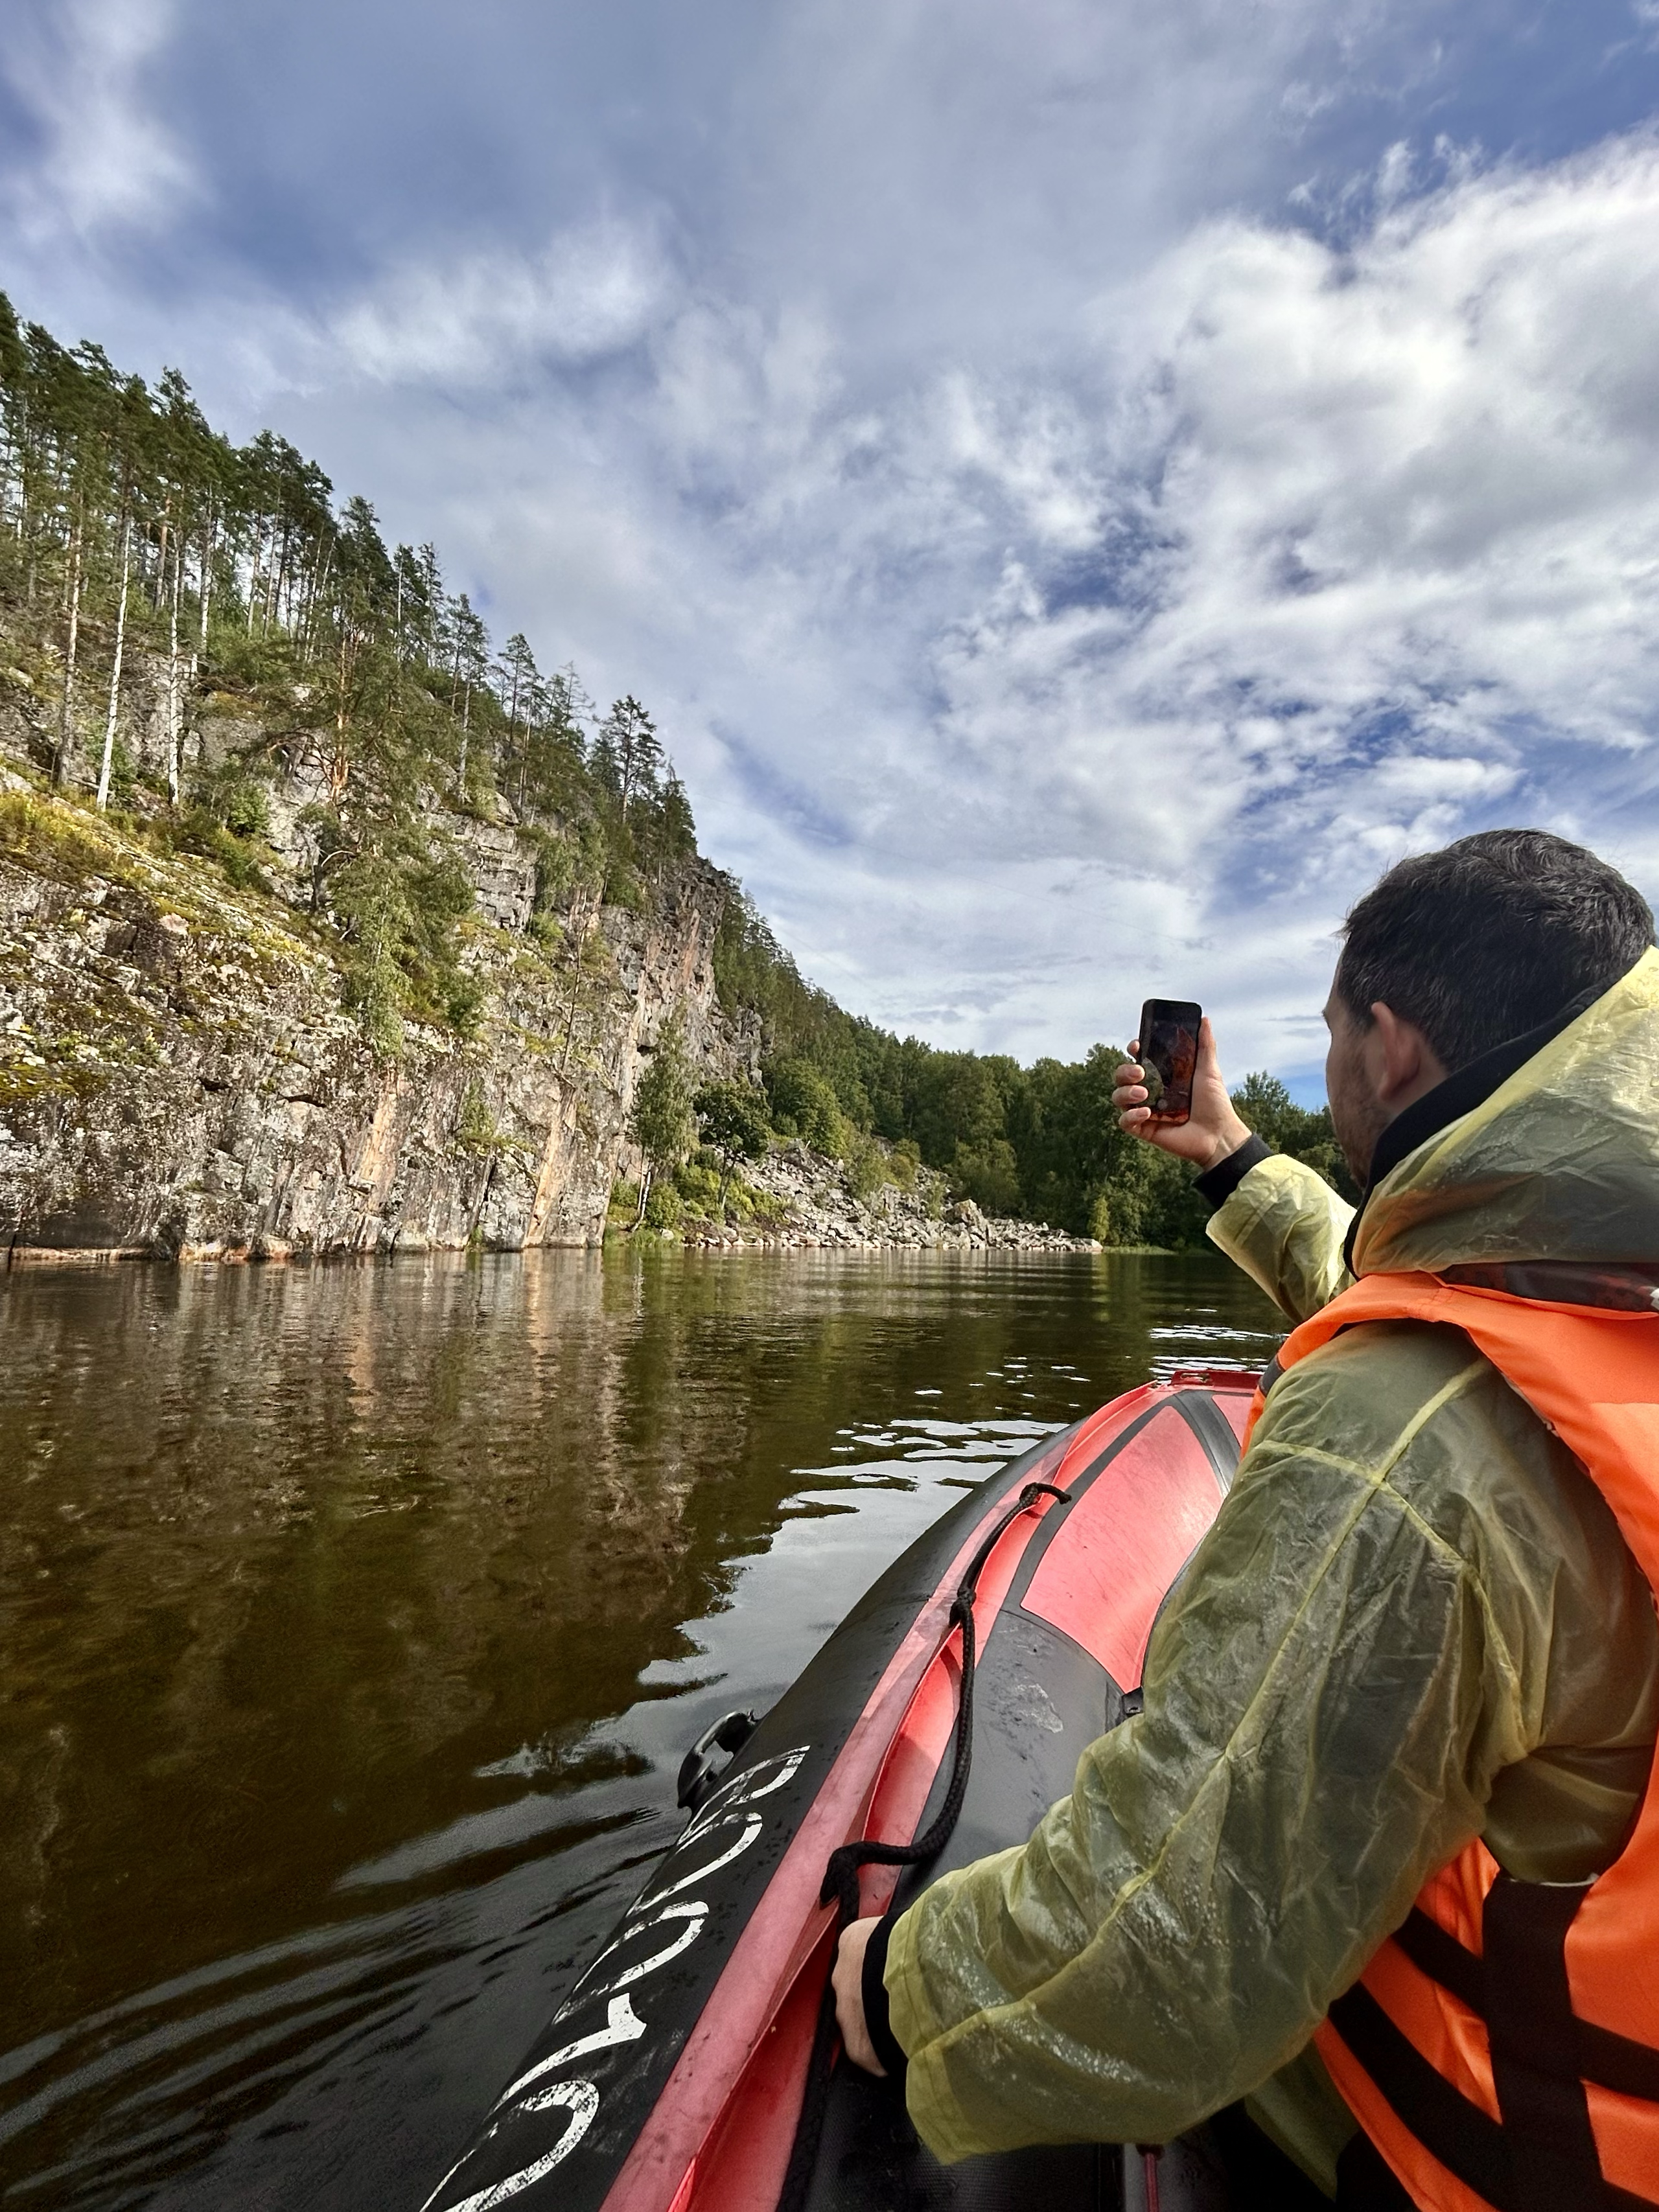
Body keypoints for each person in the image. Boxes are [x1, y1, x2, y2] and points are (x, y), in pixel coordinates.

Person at [830, 828, 1659, 2207]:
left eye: (1330, 1034)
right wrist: (1223, 1152)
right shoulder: (1596, 1293)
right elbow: (1389, 1277)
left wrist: (902, 1977)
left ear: (1386, 1045)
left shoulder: (1406, 1436)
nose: (1326, 1066)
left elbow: (1157, 1960)